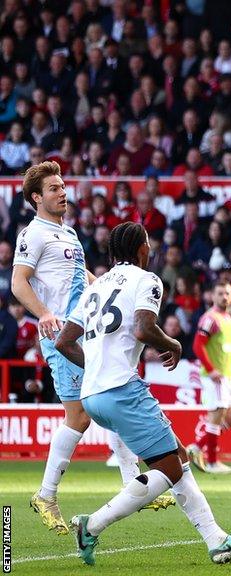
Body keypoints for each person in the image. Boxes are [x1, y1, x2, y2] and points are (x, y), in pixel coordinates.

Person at [54, 222, 231, 565]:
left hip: (93, 395)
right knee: (170, 467)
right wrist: (172, 343)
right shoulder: (147, 280)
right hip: (122, 389)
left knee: (177, 458)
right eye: (148, 244)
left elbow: (64, 341)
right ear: (141, 250)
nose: (150, 250)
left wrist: (93, 367)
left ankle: (217, 540)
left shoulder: (96, 286)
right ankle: (92, 524)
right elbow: (143, 327)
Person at [13, 162, 172, 535]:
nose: (62, 192)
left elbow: (83, 279)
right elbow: (19, 283)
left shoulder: (67, 234)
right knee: (80, 416)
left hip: (85, 331)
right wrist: (45, 314)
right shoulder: (33, 234)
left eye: (62, 185)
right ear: (36, 197)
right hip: (61, 335)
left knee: (112, 387)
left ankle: (131, 479)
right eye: (53, 188)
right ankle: (46, 494)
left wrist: (114, 285)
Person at [186, 280, 231, 475]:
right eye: (220, 293)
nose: (224, 297)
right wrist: (211, 369)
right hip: (214, 376)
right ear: (212, 296)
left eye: (227, 293)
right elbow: (197, 346)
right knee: (217, 414)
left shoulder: (227, 319)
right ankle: (212, 462)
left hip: (226, 375)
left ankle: (197, 447)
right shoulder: (210, 319)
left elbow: (230, 349)